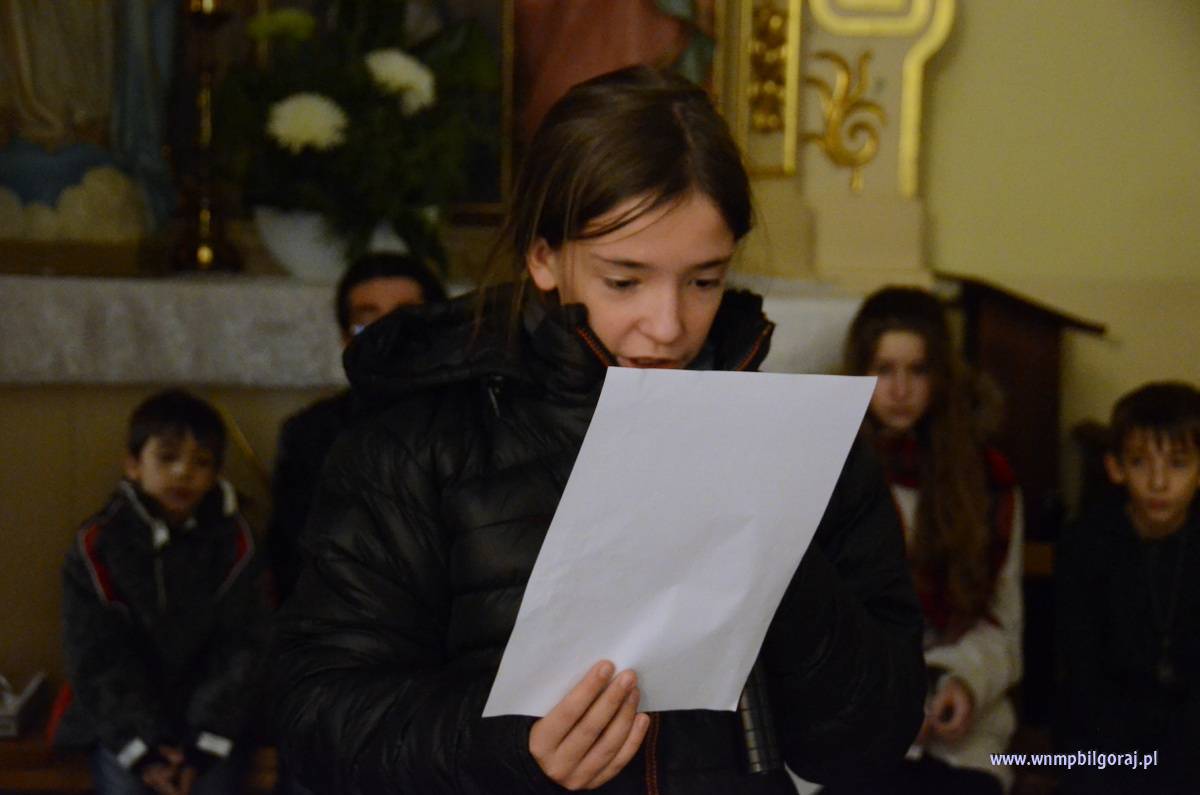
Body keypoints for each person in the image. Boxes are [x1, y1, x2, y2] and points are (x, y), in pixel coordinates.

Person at [272, 65, 925, 793]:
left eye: (704, 280)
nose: (668, 325)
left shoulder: (803, 445)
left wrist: (775, 550)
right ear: (544, 258)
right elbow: (318, 720)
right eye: (625, 280)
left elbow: (872, 739)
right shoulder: (416, 447)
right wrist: (512, 750)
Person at [836, 286, 1024, 795]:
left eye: (918, 371)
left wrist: (959, 682)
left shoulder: (987, 479)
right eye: (883, 370)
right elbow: (819, 620)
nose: (900, 390)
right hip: (856, 718)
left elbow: (1003, 623)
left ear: (941, 376)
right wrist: (890, 699)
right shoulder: (831, 469)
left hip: (958, 726)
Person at [55, 389, 266, 794]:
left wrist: (204, 741)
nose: (183, 472)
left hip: (214, 719)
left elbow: (244, 648)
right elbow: (96, 656)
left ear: (216, 474)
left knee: (213, 784)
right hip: (123, 719)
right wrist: (144, 748)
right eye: (167, 457)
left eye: (201, 462)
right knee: (126, 784)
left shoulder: (237, 543)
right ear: (133, 465)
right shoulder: (98, 544)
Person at [266, 252, 446, 602]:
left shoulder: (478, 419)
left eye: (406, 317)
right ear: (346, 340)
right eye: (369, 322)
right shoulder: (310, 433)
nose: (389, 335)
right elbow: (294, 557)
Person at [1057, 381, 1200, 794]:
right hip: (1107, 732)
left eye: (1177, 464)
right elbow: (1082, 670)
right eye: (1139, 463)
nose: (1158, 482)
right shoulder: (1086, 542)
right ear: (1115, 468)